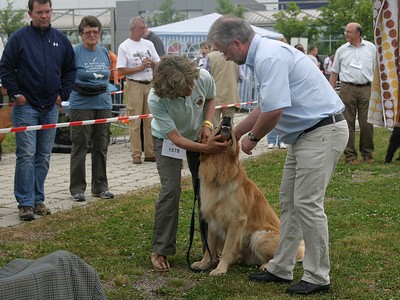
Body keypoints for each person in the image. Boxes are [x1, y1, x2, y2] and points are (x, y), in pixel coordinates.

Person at [208, 16, 349, 295]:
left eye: (224, 50)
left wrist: (253, 139)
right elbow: (264, 106)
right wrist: (235, 134)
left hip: (321, 131)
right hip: (306, 136)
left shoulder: (268, 57)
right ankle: (281, 266)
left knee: (307, 204)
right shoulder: (265, 55)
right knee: (289, 202)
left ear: (236, 43)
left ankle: (318, 276)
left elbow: (273, 112)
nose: (223, 56)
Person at [147, 55, 230, 272]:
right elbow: (175, 138)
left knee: (206, 189)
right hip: (167, 140)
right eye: (186, 87)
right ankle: (161, 249)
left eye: (192, 83)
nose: (192, 89)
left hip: (198, 135)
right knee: (170, 190)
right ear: (170, 89)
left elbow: (211, 99)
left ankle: (210, 249)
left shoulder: (202, 76)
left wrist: (207, 123)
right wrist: (207, 149)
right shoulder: (156, 99)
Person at [0, 0, 76, 221]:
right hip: (26, 107)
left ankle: (37, 199)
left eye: (47, 11)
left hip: (50, 107)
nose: (44, 16)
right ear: (30, 14)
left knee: (43, 156)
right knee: (26, 154)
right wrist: (16, 94)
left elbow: (70, 69)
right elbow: (6, 68)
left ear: (52, 12)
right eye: (39, 12)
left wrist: (63, 94)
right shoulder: (19, 38)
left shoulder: (60, 40)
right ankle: (25, 203)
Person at [68, 16, 115, 202]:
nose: (92, 35)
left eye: (96, 31)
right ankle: (77, 189)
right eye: (88, 32)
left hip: (103, 103)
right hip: (81, 103)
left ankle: (100, 187)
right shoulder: (74, 53)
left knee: (101, 145)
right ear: (81, 34)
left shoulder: (104, 52)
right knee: (80, 146)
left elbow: (107, 77)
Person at [329, 22, 376, 165]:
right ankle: (350, 156)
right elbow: (334, 72)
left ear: (358, 34)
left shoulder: (371, 47)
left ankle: (367, 154)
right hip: (347, 89)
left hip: (366, 88)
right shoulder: (341, 50)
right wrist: (331, 93)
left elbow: (377, 69)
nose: (346, 34)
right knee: (347, 123)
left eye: (349, 32)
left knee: (367, 123)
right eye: (346, 31)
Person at [117, 16, 160, 164]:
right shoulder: (124, 46)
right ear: (133, 28)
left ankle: (149, 152)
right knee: (135, 120)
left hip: (149, 83)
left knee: (149, 120)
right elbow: (121, 71)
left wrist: (152, 63)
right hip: (134, 84)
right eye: (141, 28)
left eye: (145, 27)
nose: (144, 30)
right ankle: (136, 153)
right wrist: (139, 68)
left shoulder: (149, 44)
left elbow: (158, 64)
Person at [202, 45, 244, 125]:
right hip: (231, 96)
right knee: (228, 126)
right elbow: (241, 78)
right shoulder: (233, 56)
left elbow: (204, 75)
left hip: (214, 97)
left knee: (212, 125)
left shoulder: (210, 57)